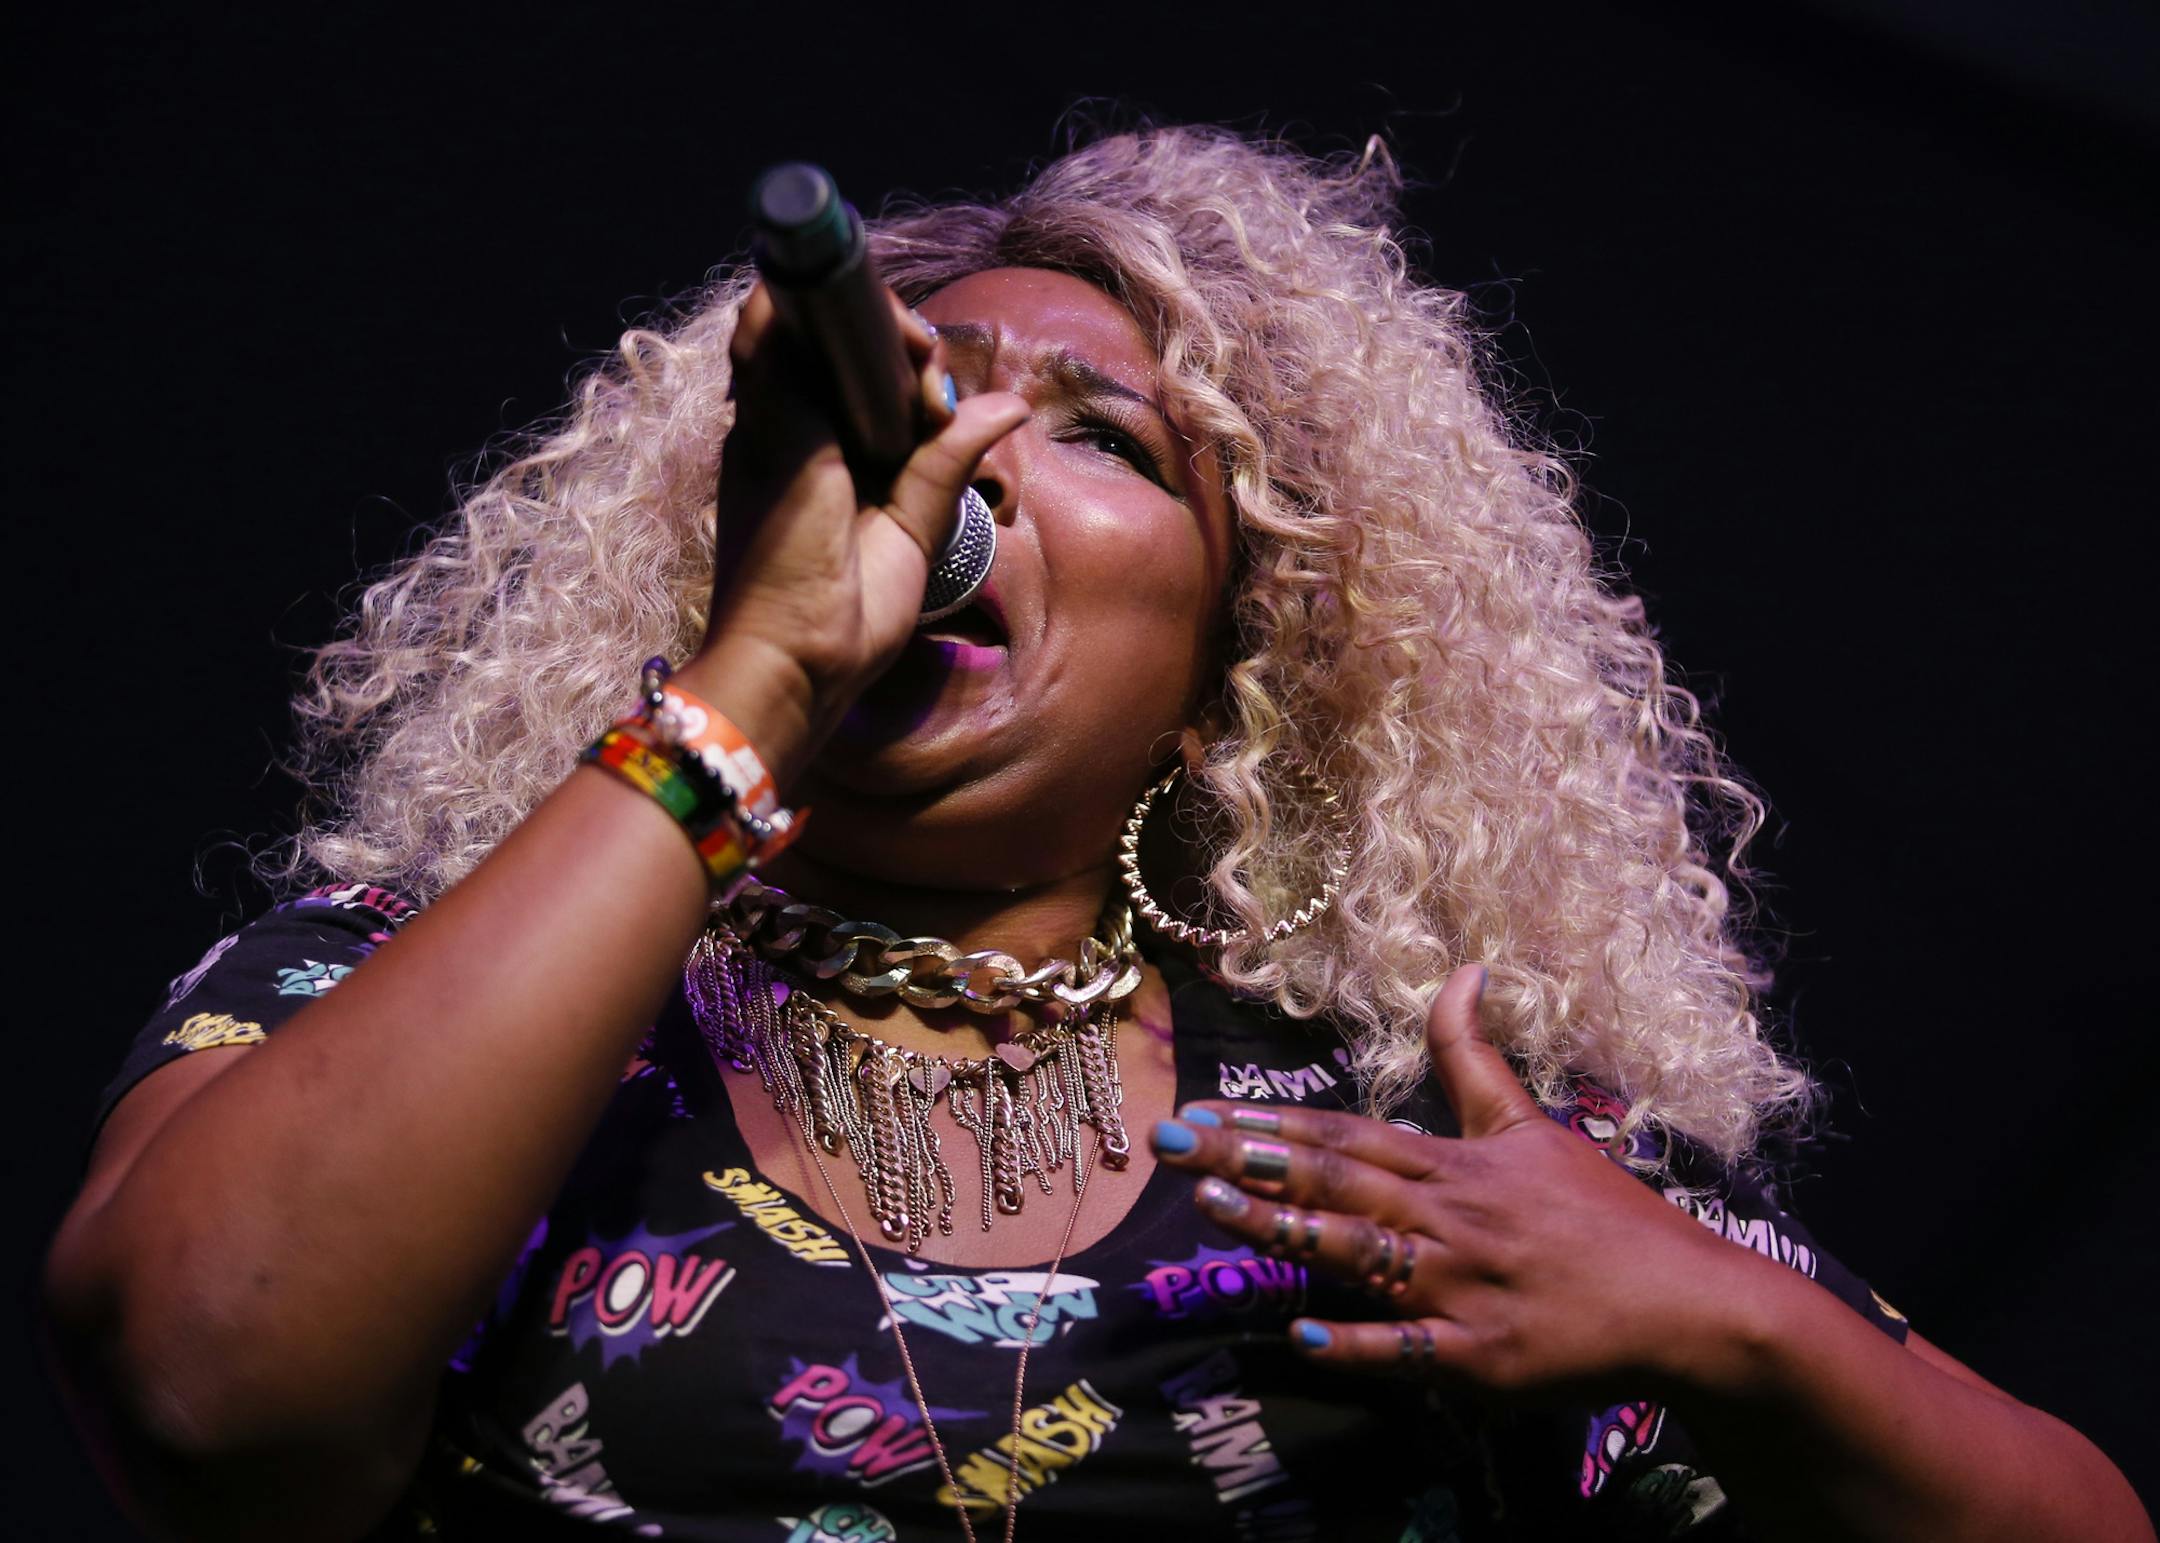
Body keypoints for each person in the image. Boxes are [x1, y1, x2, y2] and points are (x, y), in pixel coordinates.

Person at [42, 125, 2150, 1543]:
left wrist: (1729, 1323)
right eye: (920, 397)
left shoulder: (1412, 1136)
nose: (951, 463)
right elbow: (218, 1385)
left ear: (1244, 649)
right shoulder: (406, 977)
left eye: (1107, 444)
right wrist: (751, 684)